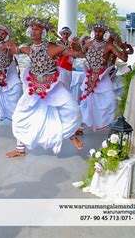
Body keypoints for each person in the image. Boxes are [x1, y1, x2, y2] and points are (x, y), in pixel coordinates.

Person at [8, 17, 84, 157]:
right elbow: (13, 51)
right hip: (35, 87)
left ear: (43, 32)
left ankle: (71, 134)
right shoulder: (27, 47)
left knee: (72, 109)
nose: (33, 31)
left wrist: (76, 46)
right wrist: (9, 46)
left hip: (54, 86)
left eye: (37, 28)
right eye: (32, 28)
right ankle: (20, 148)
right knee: (20, 114)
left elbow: (78, 54)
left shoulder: (53, 47)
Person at [79, 23, 129, 131]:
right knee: (86, 101)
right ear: (93, 32)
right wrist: (74, 47)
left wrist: (124, 49)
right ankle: (82, 123)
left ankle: (110, 123)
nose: (97, 33)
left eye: (100, 31)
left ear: (104, 33)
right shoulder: (88, 44)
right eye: (96, 31)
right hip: (90, 77)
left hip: (103, 76)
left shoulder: (109, 46)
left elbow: (123, 59)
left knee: (110, 100)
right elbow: (79, 54)